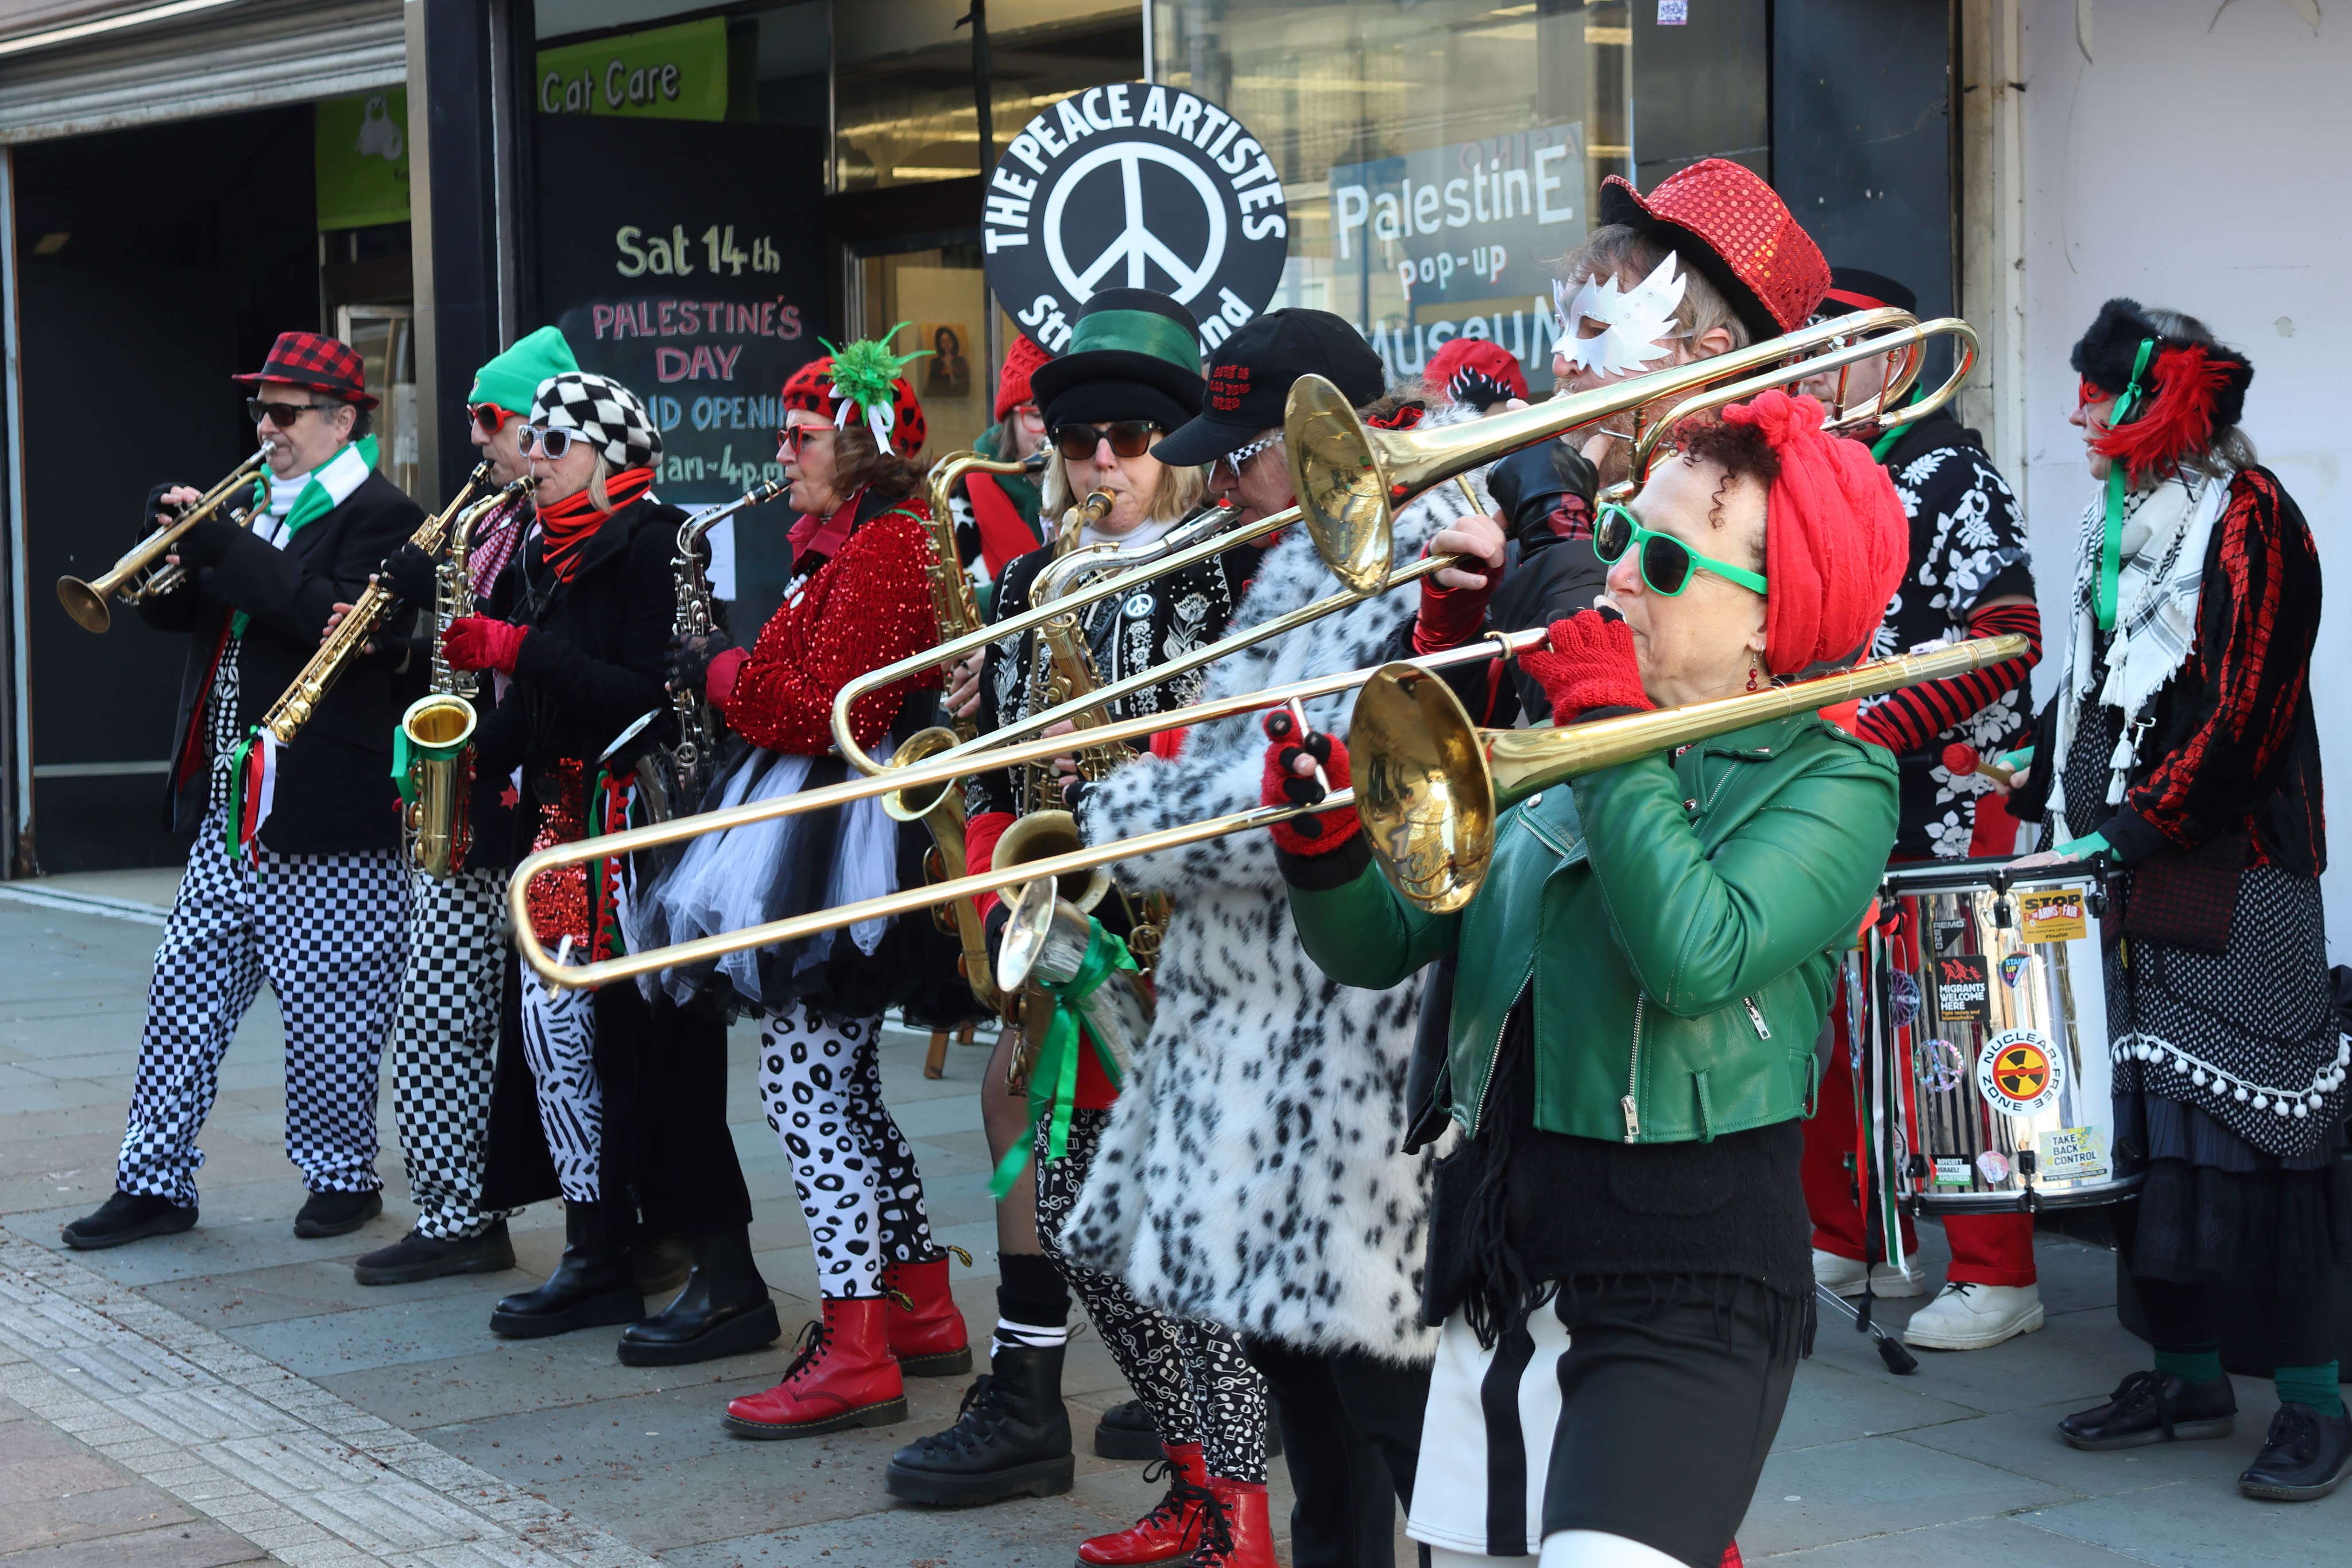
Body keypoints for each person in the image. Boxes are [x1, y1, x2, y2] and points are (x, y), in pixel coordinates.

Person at [1271, 389, 1908, 1568]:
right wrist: (1320, 844)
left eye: (1660, 557)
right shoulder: (1560, 734)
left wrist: (1611, 731)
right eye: (1618, 535)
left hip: (1690, 1277)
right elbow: (1382, 946)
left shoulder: (1836, 783)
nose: (1614, 575)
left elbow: (1690, 956)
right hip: (1503, 1258)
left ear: (1777, 619)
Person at [1053, 308, 1491, 1568]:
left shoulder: (1413, 551)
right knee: (1310, 1394)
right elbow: (1240, 751)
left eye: (1246, 452)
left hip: (1347, 1047)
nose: (1228, 477)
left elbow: (1308, 793)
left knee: (1388, 1410)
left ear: (1325, 437)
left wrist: (1123, 817)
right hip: (1265, 1036)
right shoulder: (1302, 552)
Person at [884, 291, 1272, 1561]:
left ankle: (1239, 1506)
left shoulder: (1223, 565)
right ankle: (1188, 1471)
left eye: (1129, 439)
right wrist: (983, 745)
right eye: (1078, 439)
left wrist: (1118, 766)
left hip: (1187, 937)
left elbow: (1251, 747)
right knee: (1077, 1214)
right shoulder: (1026, 576)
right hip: (1061, 927)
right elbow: (988, 766)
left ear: (1170, 448)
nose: (1101, 460)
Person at [2008, 300, 2348, 1501]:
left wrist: (2129, 828)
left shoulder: (2255, 519)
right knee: (2146, 1140)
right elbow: (2095, 679)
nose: (2076, 416)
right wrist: (2028, 766)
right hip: (2117, 873)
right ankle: (2186, 1374)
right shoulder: (2118, 522)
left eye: (2095, 394)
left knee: (2261, 1137)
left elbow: (2247, 711)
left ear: (2156, 398)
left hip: (2236, 876)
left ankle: (2312, 1401)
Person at [639, 334, 976, 1433]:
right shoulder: (845, 540)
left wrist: (728, 671)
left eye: (803, 437)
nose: (780, 453)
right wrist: (753, 668)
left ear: (865, 448)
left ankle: (856, 1342)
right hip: (809, 825)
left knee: (803, 1089)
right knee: (845, 1087)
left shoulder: (883, 547)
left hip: (833, 834)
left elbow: (826, 709)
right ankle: (916, 1306)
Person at [64, 332, 421, 1251]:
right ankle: (153, 1176)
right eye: (259, 409)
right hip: (232, 803)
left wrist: (227, 541)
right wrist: (169, 538)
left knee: (333, 1003)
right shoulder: (261, 503)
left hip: (326, 807)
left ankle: (342, 1174)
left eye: (285, 412)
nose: (265, 427)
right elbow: (193, 608)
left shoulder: (386, 515)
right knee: (183, 987)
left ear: (343, 422)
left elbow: (328, 620)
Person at [465, 370, 779, 1368]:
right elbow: (545, 698)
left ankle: (676, 1257)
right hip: (558, 823)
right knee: (554, 1039)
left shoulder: (654, 541)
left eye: (557, 443)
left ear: (608, 455)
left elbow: (641, 697)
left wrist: (518, 648)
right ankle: (598, 1244)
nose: (535, 457)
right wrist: (467, 765)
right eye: (534, 440)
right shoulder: (545, 553)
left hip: (632, 826)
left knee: (647, 1054)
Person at [1792, 268, 2049, 1352]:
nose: (1810, 373)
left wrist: (1871, 725)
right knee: (1837, 1020)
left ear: (1898, 357)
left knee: (1955, 1026)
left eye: (1830, 349)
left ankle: (1998, 1271)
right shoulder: (1838, 471)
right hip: (1852, 791)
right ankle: (1847, 1233)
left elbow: (2010, 632)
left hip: (1947, 796)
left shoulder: (1953, 472)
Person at [351, 325, 579, 1286]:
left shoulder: (543, 531)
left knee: (472, 1020)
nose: (477, 441)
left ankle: (466, 1215)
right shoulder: (485, 526)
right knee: (440, 1015)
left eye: (490, 420)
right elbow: (462, 657)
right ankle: (456, 1204)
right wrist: (404, 639)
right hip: (467, 796)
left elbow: (531, 657)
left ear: (538, 426)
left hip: (513, 807)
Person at [952, 332, 1053, 586]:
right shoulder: (964, 494)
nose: (1053, 432)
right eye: (1038, 415)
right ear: (1010, 419)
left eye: (1062, 415)